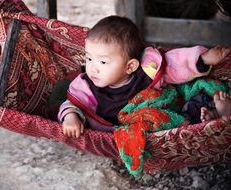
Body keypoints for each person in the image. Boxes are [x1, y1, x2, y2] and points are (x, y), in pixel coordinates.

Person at [57, 15, 230, 138]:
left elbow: (175, 63)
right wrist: (71, 117)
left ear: (130, 66)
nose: (92, 68)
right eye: (88, 58)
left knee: (193, 100)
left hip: (162, 122)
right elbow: (72, 103)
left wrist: (204, 58)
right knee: (181, 121)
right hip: (126, 131)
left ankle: (217, 114)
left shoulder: (148, 70)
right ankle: (211, 119)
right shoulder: (87, 86)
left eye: (102, 62)